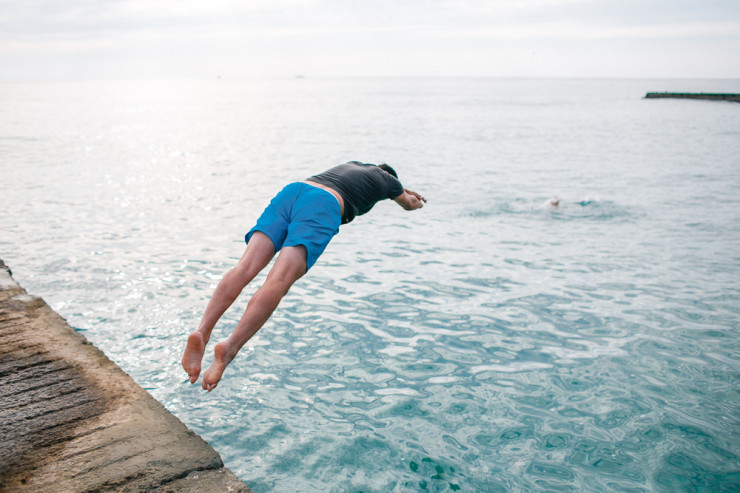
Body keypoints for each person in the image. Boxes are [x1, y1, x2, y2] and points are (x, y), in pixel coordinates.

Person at [182, 161, 426, 391]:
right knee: (278, 280)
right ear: (391, 178)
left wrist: (398, 189)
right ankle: (230, 347)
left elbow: (383, 184)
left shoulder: (355, 166)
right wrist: (413, 199)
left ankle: (202, 331)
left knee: (245, 267)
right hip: (322, 205)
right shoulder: (388, 182)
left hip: (293, 192)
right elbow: (409, 203)